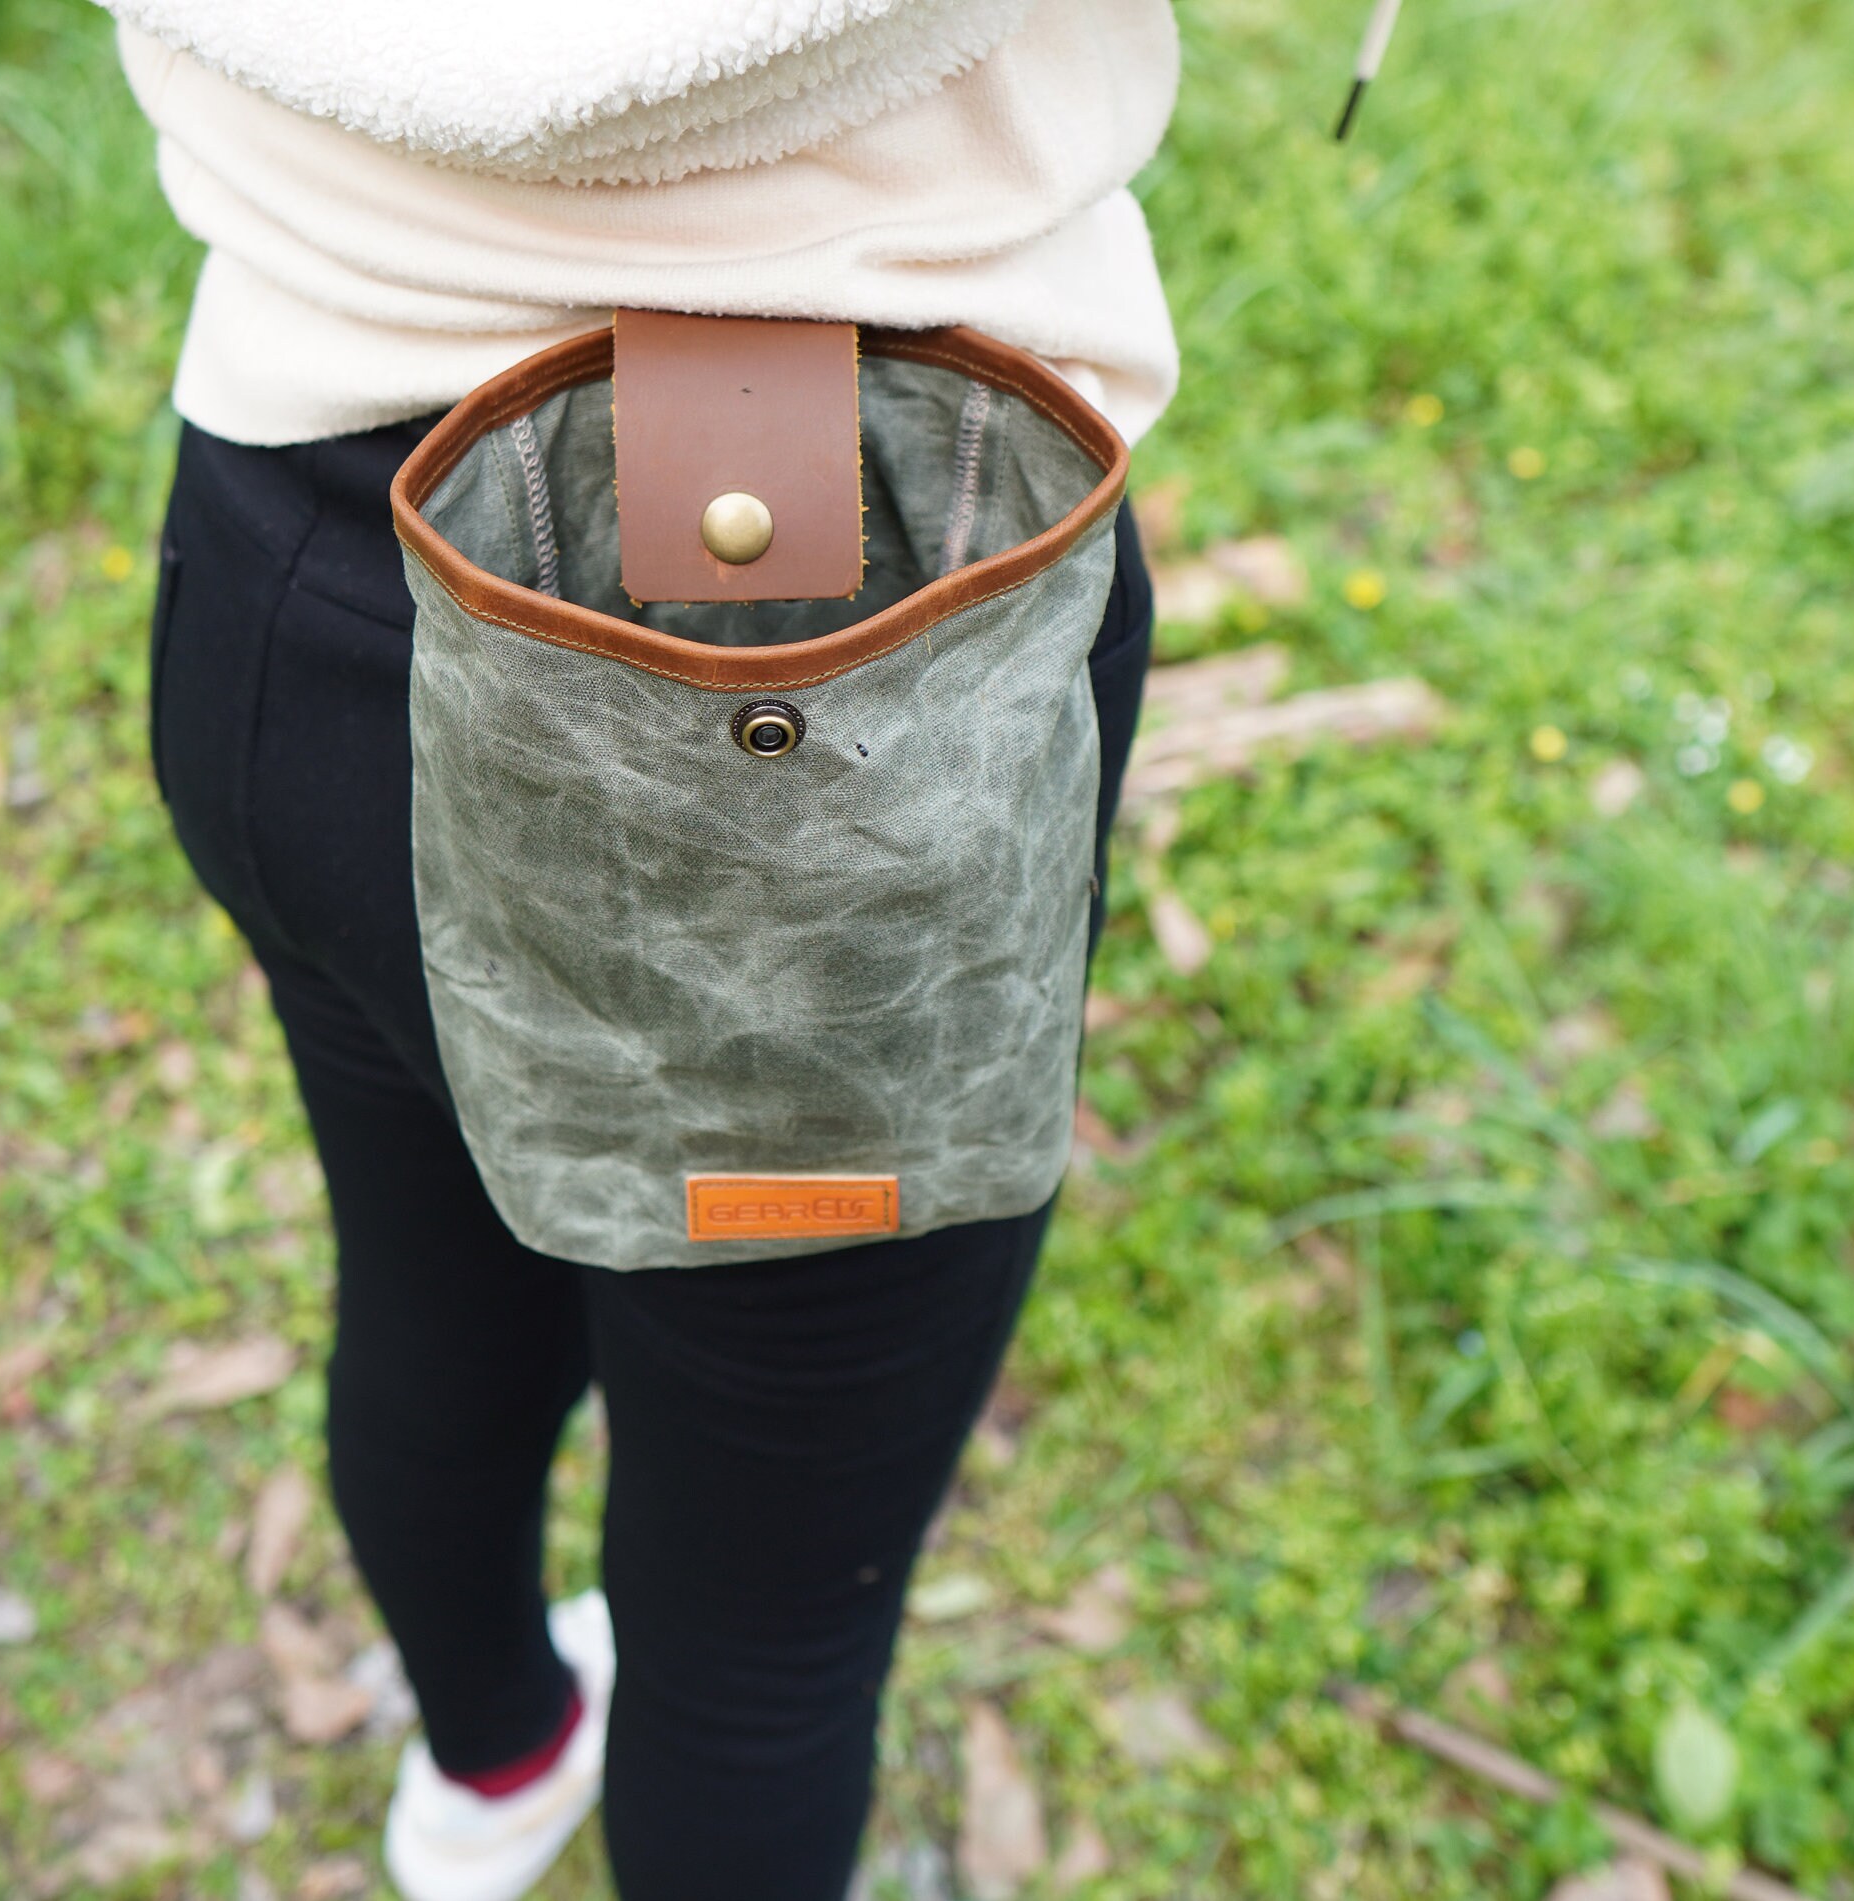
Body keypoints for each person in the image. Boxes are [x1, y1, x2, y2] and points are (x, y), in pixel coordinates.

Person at [110, 1, 1182, 1893]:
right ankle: (513, 1762)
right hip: (861, 689)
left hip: (300, 566)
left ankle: (497, 1761)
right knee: (768, 1628)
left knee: (432, 1283)